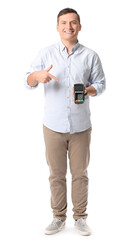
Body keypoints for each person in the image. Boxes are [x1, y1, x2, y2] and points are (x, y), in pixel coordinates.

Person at [25, 8, 106, 236]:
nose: (68, 27)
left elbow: (101, 83)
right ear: (57, 26)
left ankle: (80, 217)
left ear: (79, 26)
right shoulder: (46, 53)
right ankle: (58, 217)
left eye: (73, 23)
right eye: (63, 22)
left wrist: (90, 89)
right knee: (56, 174)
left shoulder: (90, 56)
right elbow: (27, 80)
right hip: (53, 126)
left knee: (80, 174)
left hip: (81, 126)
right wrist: (36, 77)